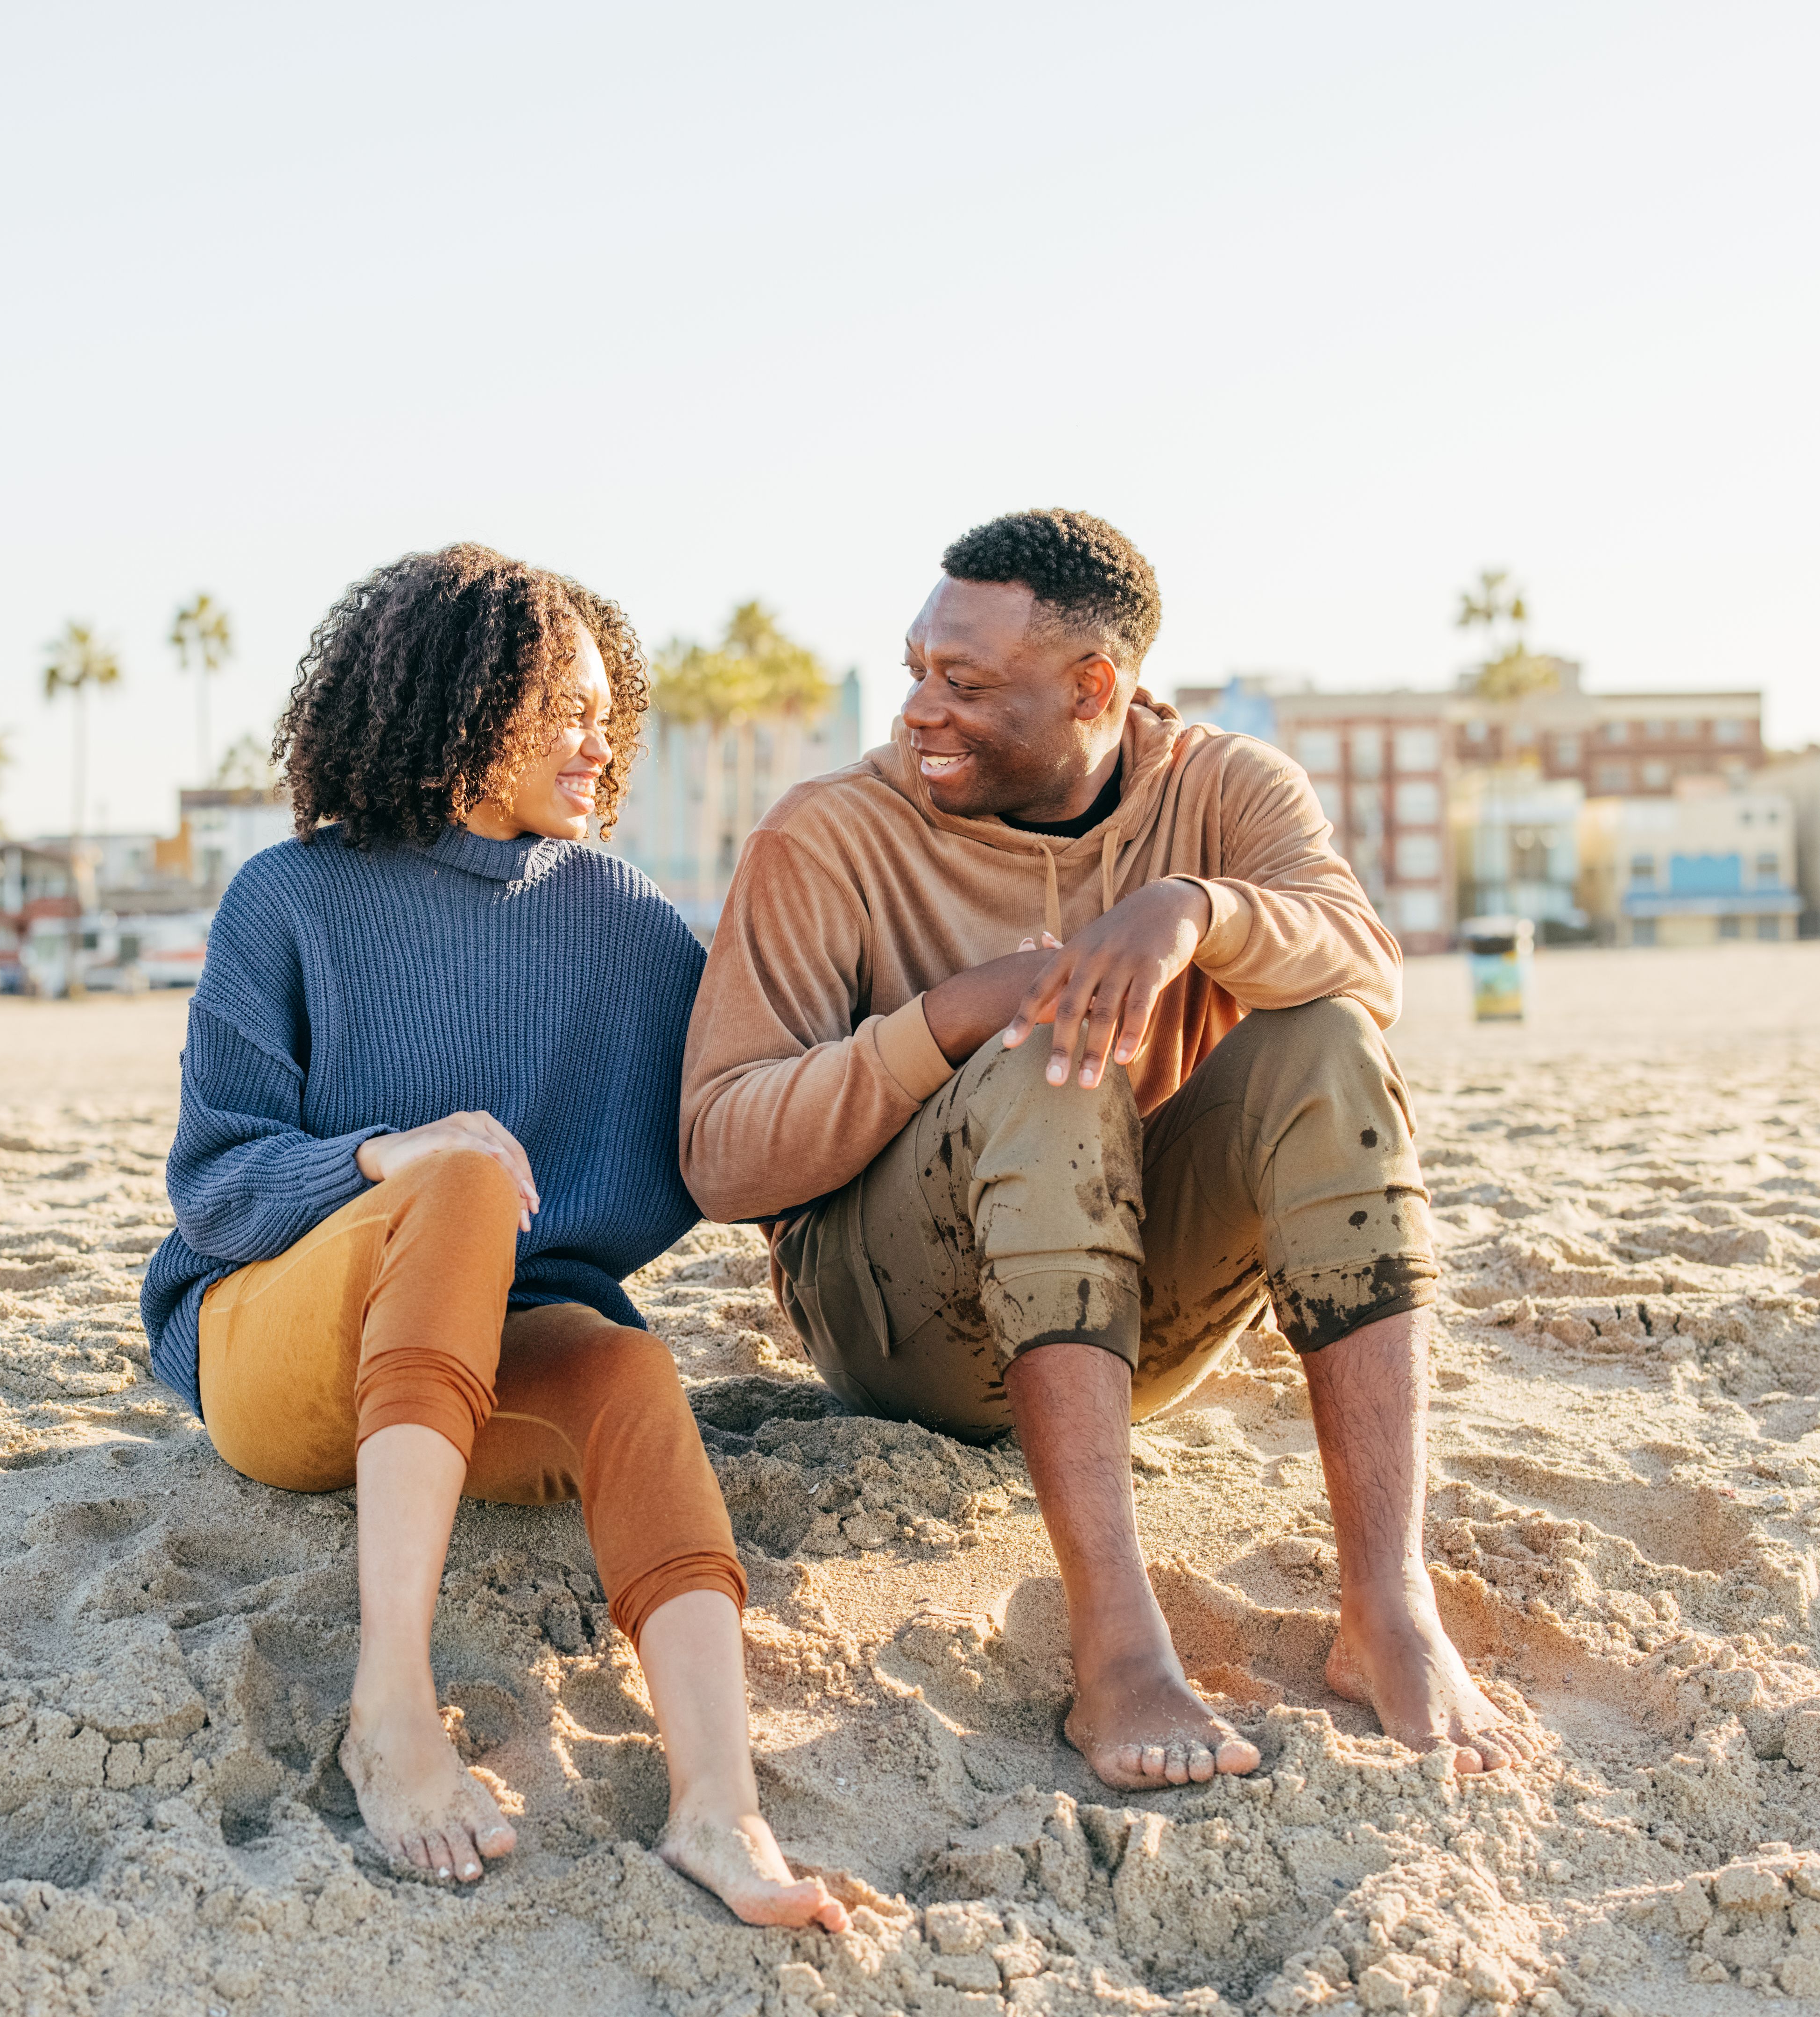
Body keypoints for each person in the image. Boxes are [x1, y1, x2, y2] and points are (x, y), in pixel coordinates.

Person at [679, 508, 1540, 1791]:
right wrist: (949, 1023)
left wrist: (1192, 911)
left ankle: (1387, 1606)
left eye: (964, 683)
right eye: (917, 668)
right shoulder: (829, 835)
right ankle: (1120, 1642)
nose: (920, 708)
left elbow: (1363, 964)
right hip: (900, 1330)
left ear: (1095, 687)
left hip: (1142, 1323)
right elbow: (720, 1152)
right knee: (1040, 1053)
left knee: (1329, 1044)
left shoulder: (1225, 787)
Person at [140, 544, 845, 1930]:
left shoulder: (631, 928)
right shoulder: (287, 900)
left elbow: (737, 1124)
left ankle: (719, 1805)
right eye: (560, 710)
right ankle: (391, 1703)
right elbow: (213, 1187)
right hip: (278, 1359)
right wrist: (386, 1157)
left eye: (607, 710)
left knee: (627, 1368)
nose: (602, 742)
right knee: (461, 1173)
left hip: (486, 1370)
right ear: (455, 709)